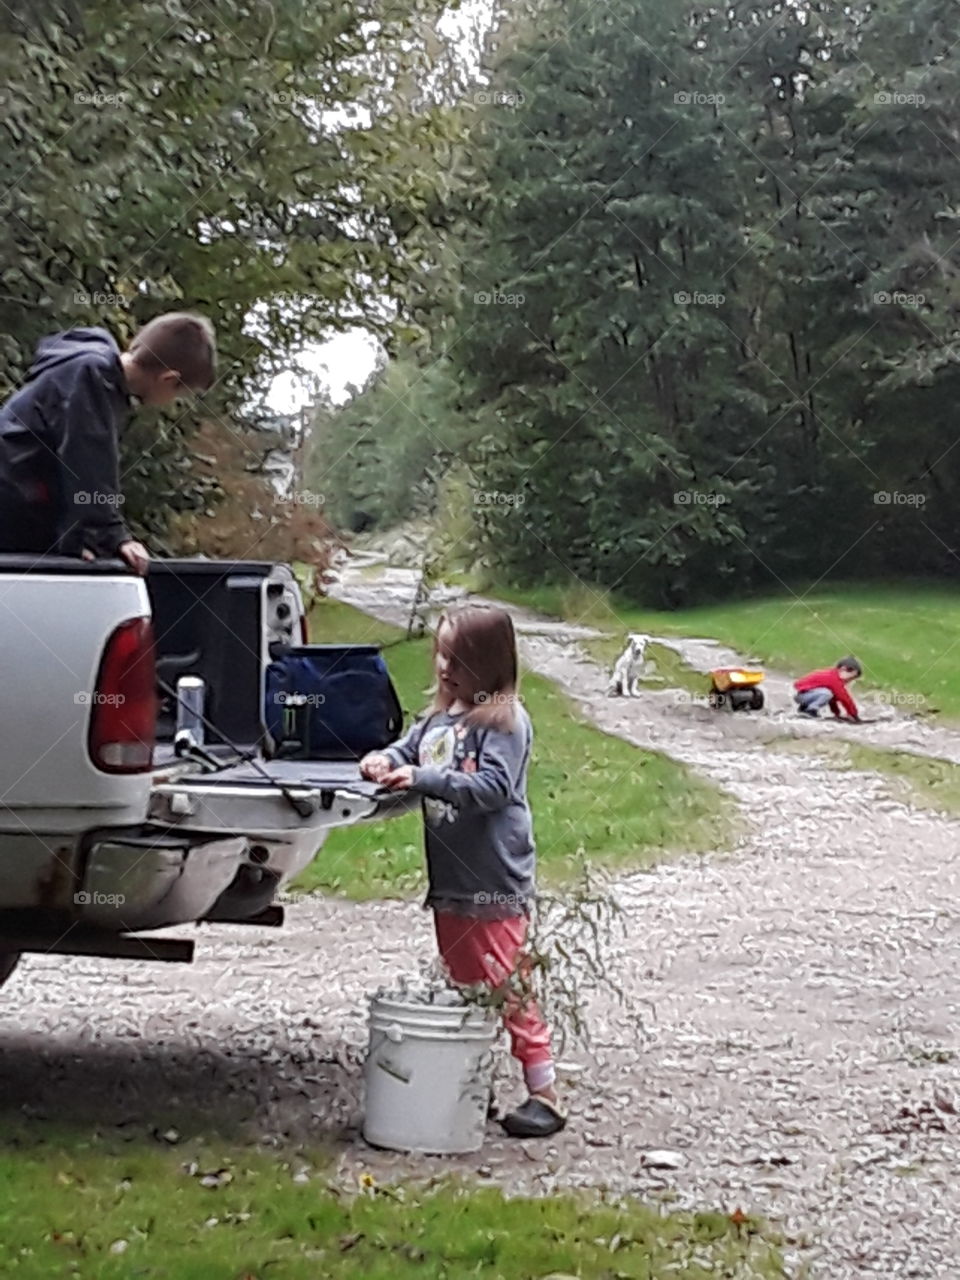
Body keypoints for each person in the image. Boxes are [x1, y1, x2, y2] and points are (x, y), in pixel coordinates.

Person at [359, 603, 565, 1139]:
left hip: (493, 881)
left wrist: (424, 778)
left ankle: (544, 1091)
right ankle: (472, 1077)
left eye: (460, 659)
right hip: (451, 882)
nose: (445, 668)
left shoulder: (504, 722)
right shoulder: (436, 721)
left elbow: (493, 789)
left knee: (507, 982)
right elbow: (406, 750)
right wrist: (383, 760)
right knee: (464, 985)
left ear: (492, 666)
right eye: (441, 655)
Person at [0, 312, 217, 575]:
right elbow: (88, 462)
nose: (174, 402)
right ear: (168, 378)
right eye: (181, 394)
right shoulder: (92, 377)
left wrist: (79, 537)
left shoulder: (91, 371)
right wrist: (112, 537)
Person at [794, 656, 863, 721]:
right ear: (843, 669)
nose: (849, 681)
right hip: (802, 695)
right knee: (826, 693)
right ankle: (810, 711)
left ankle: (805, 709)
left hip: (806, 695)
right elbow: (844, 698)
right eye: (850, 678)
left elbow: (832, 700)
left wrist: (837, 714)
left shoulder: (833, 676)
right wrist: (854, 715)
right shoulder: (833, 678)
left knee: (828, 693)